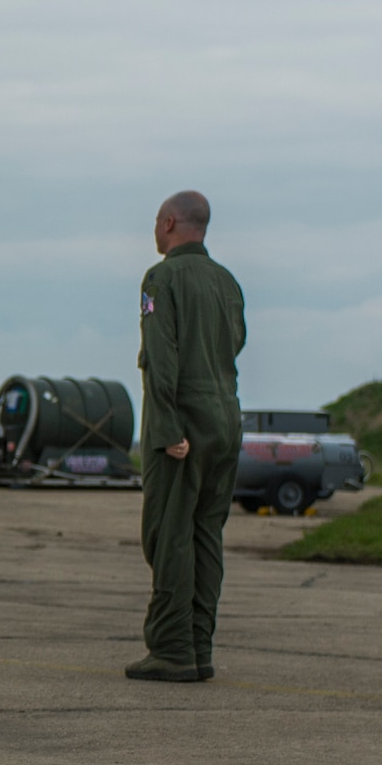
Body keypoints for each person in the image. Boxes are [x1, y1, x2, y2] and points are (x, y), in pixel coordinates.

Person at [129, 191, 246, 683]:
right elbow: (234, 342)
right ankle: (199, 647)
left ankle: (172, 649)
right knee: (205, 535)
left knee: (169, 533)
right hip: (225, 420)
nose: (155, 230)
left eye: (158, 221)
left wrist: (170, 428)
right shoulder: (227, 281)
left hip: (183, 426)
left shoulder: (163, 277)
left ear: (171, 222)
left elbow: (161, 354)